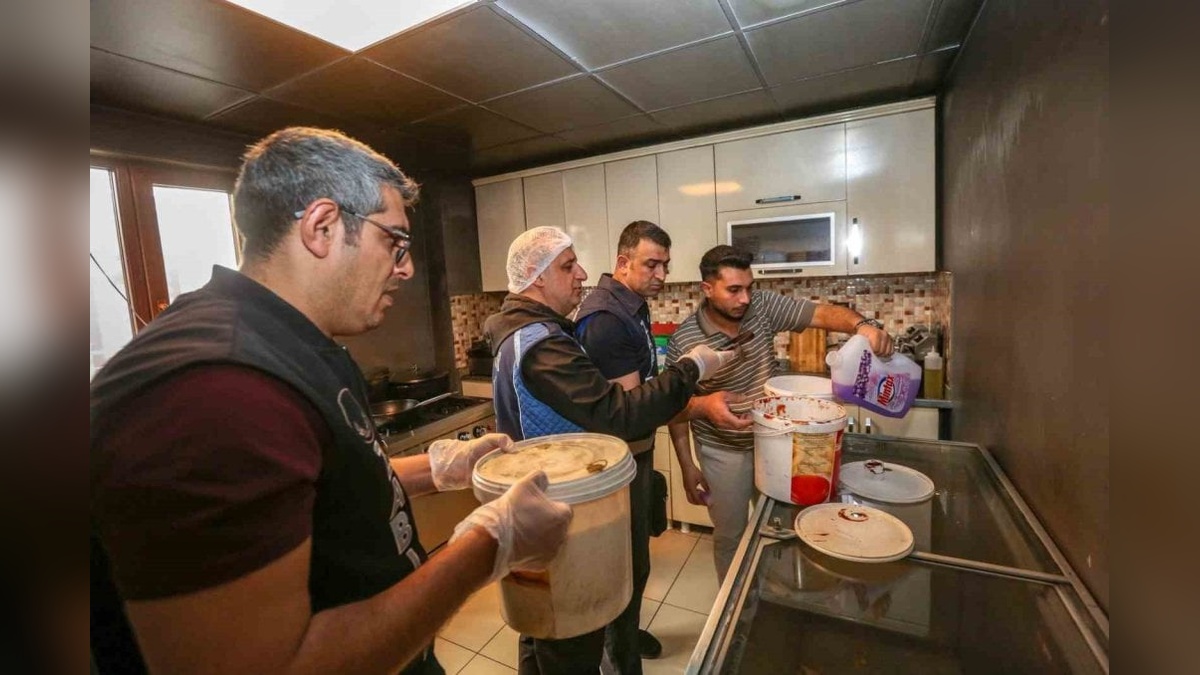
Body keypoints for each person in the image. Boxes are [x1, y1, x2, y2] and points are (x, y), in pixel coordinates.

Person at [89, 127, 573, 675]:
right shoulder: (214, 389)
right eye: (395, 241)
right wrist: (490, 542)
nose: (408, 268)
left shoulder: (299, 341)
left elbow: (308, 479)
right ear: (322, 227)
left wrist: (437, 469)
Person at [483, 226, 746, 675]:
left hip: (541, 503)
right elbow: (620, 413)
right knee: (569, 635)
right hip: (561, 509)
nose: (582, 273)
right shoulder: (543, 345)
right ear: (537, 277)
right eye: (568, 266)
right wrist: (691, 368)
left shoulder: (522, 331)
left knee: (541, 628)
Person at [666, 245, 894, 582]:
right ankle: (735, 610)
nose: (745, 299)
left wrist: (862, 327)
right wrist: (687, 466)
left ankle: (775, 594)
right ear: (707, 289)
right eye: (733, 290)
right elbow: (674, 409)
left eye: (749, 287)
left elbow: (821, 314)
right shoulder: (684, 340)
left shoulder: (762, 306)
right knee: (730, 535)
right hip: (721, 451)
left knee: (784, 524)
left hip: (776, 444)